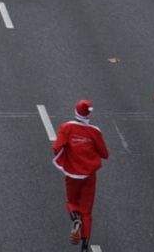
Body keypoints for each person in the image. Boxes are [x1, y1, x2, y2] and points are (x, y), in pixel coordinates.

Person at [53, 99, 109, 249]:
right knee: (87, 211)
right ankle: (85, 245)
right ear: (89, 113)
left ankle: (75, 219)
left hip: (72, 175)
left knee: (71, 201)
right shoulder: (95, 131)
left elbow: (56, 147)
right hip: (89, 176)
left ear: (75, 111)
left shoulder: (66, 128)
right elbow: (105, 154)